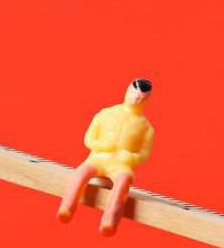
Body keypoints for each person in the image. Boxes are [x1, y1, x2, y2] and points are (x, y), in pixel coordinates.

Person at [57, 78, 156, 235]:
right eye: (133, 94)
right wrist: (102, 146)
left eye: (140, 98)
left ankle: (110, 220)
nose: (135, 99)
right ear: (127, 91)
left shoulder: (146, 128)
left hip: (121, 165)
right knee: (81, 173)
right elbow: (88, 139)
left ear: (146, 99)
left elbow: (144, 154)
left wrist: (130, 157)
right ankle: (66, 207)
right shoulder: (106, 114)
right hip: (97, 158)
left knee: (124, 181)